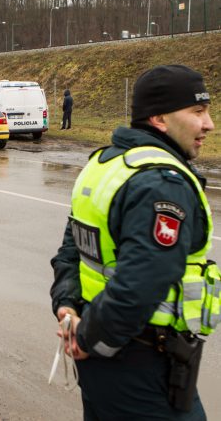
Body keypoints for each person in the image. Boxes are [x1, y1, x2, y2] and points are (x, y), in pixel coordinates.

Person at [50, 64, 219, 420]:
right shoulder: (161, 182)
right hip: (144, 364)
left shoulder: (104, 164)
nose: (209, 124)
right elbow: (143, 281)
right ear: (159, 118)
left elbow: (72, 248)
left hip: (105, 360)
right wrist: (88, 339)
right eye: (198, 112)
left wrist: (67, 305)